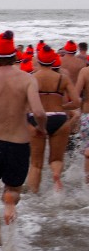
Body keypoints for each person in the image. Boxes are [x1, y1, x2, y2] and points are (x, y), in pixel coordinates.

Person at [0, 31, 47, 245]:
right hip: (19, 142)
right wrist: (41, 128)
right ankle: (11, 202)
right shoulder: (28, 79)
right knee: (13, 188)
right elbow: (39, 112)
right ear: (14, 56)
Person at [27, 47, 77, 193]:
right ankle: (56, 175)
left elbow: (24, 102)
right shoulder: (63, 78)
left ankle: (33, 196)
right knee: (56, 159)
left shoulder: (32, 77)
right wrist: (61, 106)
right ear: (53, 61)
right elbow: (76, 102)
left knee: (36, 164)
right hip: (59, 118)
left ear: (39, 60)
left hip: (36, 118)